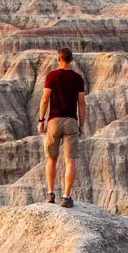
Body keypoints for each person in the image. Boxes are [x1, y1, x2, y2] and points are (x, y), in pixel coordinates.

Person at [37, 48, 86, 208]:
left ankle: (50, 194)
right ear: (71, 59)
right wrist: (81, 124)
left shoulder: (51, 76)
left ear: (59, 59)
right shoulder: (78, 78)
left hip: (53, 121)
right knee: (70, 160)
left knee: (51, 158)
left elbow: (45, 99)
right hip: (71, 121)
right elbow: (82, 103)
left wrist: (41, 120)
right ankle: (66, 196)